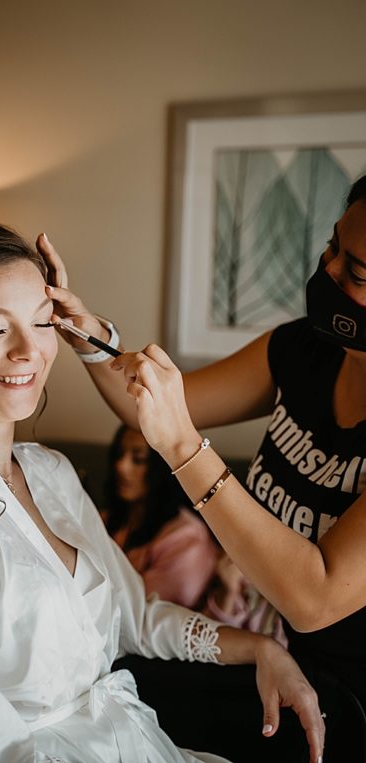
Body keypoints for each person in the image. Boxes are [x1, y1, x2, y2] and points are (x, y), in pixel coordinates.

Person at [0, 220, 324, 763]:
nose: (29, 350)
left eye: (42, 322)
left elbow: (136, 615)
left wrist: (260, 649)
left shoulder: (51, 473)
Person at [43, 174, 366, 759]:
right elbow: (145, 407)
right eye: (332, 247)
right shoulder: (301, 350)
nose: (329, 272)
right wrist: (89, 336)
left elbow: (314, 597)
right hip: (286, 657)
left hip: (353, 702)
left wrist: (184, 448)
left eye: (358, 273)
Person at [103, 424, 218, 609]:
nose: (121, 466)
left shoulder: (187, 538)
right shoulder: (110, 517)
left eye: (138, 459)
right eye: (119, 454)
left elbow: (142, 609)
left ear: (164, 465)